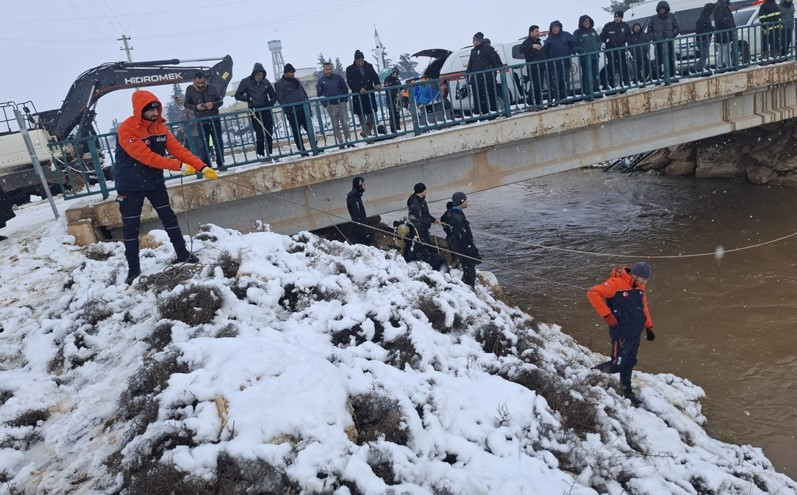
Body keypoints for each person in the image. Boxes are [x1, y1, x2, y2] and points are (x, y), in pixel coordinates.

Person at [113, 91, 219, 285]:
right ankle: (133, 269)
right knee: (131, 227)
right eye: (149, 109)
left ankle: (182, 252)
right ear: (139, 110)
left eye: (156, 108)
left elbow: (177, 149)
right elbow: (145, 156)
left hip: (153, 182)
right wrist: (177, 166)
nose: (154, 113)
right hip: (129, 185)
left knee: (169, 217)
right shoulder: (127, 129)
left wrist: (201, 166)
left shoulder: (160, 127)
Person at [587, 262, 656, 406]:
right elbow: (593, 293)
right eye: (644, 279)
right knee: (616, 364)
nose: (645, 282)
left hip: (636, 331)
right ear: (635, 276)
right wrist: (607, 315)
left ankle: (627, 391)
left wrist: (648, 326)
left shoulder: (640, 286)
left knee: (629, 363)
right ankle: (589, 375)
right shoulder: (615, 283)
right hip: (622, 332)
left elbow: (643, 307)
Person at [184, 72, 226, 170]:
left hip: (214, 119)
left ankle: (221, 163)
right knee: (204, 144)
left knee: (218, 141)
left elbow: (220, 101)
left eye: (202, 82)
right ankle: (206, 166)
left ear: (205, 80)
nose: (200, 85)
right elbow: (186, 104)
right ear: (194, 81)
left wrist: (213, 104)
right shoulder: (189, 90)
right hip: (201, 120)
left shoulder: (212, 87)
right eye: (198, 83)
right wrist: (196, 107)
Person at [234, 63, 277, 160]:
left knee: (269, 131)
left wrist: (270, 103)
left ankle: (270, 152)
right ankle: (261, 154)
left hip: (266, 109)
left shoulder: (265, 82)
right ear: (254, 73)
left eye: (261, 74)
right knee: (259, 133)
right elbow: (238, 95)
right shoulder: (245, 82)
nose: (259, 76)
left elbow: (273, 95)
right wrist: (248, 98)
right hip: (254, 111)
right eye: (258, 74)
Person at [405, 182, 447, 271]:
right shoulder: (414, 202)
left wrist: (433, 220)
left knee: (431, 249)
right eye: (425, 191)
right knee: (430, 250)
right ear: (422, 191)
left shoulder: (421, 201)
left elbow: (425, 214)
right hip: (421, 230)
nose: (426, 193)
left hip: (423, 228)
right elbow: (417, 218)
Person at [275, 63, 315, 156]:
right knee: (296, 131)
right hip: (292, 111)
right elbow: (280, 98)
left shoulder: (296, 80)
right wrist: (288, 109)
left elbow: (303, 92)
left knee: (309, 128)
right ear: (286, 73)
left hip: (303, 108)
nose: (292, 74)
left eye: (293, 73)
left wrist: (306, 102)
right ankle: (302, 150)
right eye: (290, 73)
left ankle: (314, 146)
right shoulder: (279, 84)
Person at [346, 50, 382, 140]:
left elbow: (375, 76)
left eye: (362, 60)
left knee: (371, 118)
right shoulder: (350, 69)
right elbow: (350, 82)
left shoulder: (369, 66)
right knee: (361, 117)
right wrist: (358, 89)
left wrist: (377, 84)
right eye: (358, 60)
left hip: (369, 95)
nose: (360, 62)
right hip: (358, 97)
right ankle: (368, 136)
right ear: (355, 60)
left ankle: (365, 133)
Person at [446, 192, 481, 287]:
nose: (467, 201)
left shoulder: (452, 213)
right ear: (461, 201)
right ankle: (468, 289)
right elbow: (463, 237)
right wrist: (472, 251)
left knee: (467, 270)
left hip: (459, 247)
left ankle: (465, 287)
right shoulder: (458, 218)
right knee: (470, 271)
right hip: (463, 249)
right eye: (465, 200)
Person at [315, 62, 353, 148]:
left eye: (329, 69)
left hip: (341, 104)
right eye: (326, 69)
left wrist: (344, 100)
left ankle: (348, 141)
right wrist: (326, 105)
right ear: (323, 70)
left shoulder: (338, 78)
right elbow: (320, 95)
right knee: (335, 125)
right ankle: (341, 142)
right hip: (331, 106)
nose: (328, 71)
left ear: (332, 69)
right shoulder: (321, 81)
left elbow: (345, 89)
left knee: (345, 124)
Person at [466, 32, 503, 116]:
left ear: (479, 40)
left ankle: (493, 112)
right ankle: (480, 113)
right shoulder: (473, 51)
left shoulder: (489, 49)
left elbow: (494, 62)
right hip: (476, 78)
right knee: (478, 96)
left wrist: (493, 74)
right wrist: (468, 75)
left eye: (474, 40)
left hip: (487, 76)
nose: (473, 42)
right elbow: (470, 64)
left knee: (491, 94)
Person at [543, 20, 576, 104]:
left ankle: (566, 97)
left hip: (565, 63)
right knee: (555, 83)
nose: (554, 29)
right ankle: (557, 99)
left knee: (565, 81)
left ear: (559, 27)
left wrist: (575, 50)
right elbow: (545, 51)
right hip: (554, 65)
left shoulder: (567, 35)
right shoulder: (549, 39)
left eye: (556, 27)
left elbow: (573, 45)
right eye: (552, 28)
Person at [647, 1, 680, 80]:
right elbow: (649, 31)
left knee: (670, 59)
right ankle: (659, 76)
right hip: (658, 43)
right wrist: (654, 38)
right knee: (658, 60)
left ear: (666, 9)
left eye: (663, 8)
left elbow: (677, 27)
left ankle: (671, 75)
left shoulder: (671, 16)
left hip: (668, 42)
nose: (662, 10)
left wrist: (672, 35)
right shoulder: (653, 18)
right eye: (660, 9)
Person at [600, 11, 632, 90]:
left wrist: (624, 40)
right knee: (612, 69)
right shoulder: (608, 26)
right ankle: (612, 85)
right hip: (611, 51)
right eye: (616, 17)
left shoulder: (625, 26)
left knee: (623, 67)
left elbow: (630, 36)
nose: (617, 18)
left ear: (621, 18)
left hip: (621, 50)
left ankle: (624, 84)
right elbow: (601, 36)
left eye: (619, 17)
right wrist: (607, 40)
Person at [573, 15, 602, 97]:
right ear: (581, 23)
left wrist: (597, 47)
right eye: (585, 21)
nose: (587, 23)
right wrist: (582, 51)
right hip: (585, 58)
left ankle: (596, 90)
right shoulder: (577, 33)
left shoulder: (593, 30)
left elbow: (599, 40)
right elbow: (574, 45)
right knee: (586, 75)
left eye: (588, 21)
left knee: (595, 74)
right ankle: (587, 92)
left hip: (595, 56)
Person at [519, 25, 546, 109]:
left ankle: (538, 104)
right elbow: (521, 49)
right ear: (531, 32)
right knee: (535, 86)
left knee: (539, 86)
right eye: (536, 31)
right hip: (533, 67)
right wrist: (531, 46)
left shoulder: (538, 41)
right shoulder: (527, 42)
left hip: (540, 67)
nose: (538, 33)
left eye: (538, 31)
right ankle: (531, 103)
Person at [173, 95, 204, 163]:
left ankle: (200, 164)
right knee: (187, 151)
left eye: (179, 99)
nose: (177, 102)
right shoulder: (181, 110)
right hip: (187, 134)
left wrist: (185, 128)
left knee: (196, 150)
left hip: (194, 133)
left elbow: (192, 120)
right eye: (176, 100)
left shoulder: (189, 109)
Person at [346, 176, 371, 246]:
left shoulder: (357, 196)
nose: (365, 186)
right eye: (363, 184)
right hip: (359, 231)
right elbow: (357, 217)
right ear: (359, 185)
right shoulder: (354, 199)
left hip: (361, 228)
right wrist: (363, 233)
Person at [713, 0, 736, 71]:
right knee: (723, 49)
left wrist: (731, 26)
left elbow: (727, 19)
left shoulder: (723, 7)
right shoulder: (720, 7)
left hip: (725, 33)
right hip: (723, 33)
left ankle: (727, 64)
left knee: (727, 49)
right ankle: (721, 66)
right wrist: (730, 26)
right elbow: (721, 20)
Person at [695, 3, 716, 74]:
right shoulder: (702, 18)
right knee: (705, 55)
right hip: (702, 39)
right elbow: (700, 31)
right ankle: (699, 68)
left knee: (705, 55)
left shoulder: (705, 17)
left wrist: (711, 29)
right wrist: (710, 29)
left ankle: (701, 68)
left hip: (705, 38)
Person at [383, 67, 403, 134]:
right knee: (392, 114)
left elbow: (400, 86)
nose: (396, 75)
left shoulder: (396, 79)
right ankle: (393, 130)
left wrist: (402, 90)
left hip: (396, 99)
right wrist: (395, 93)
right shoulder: (387, 79)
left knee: (397, 114)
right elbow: (387, 89)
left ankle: (398, 128)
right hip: (390, 99)